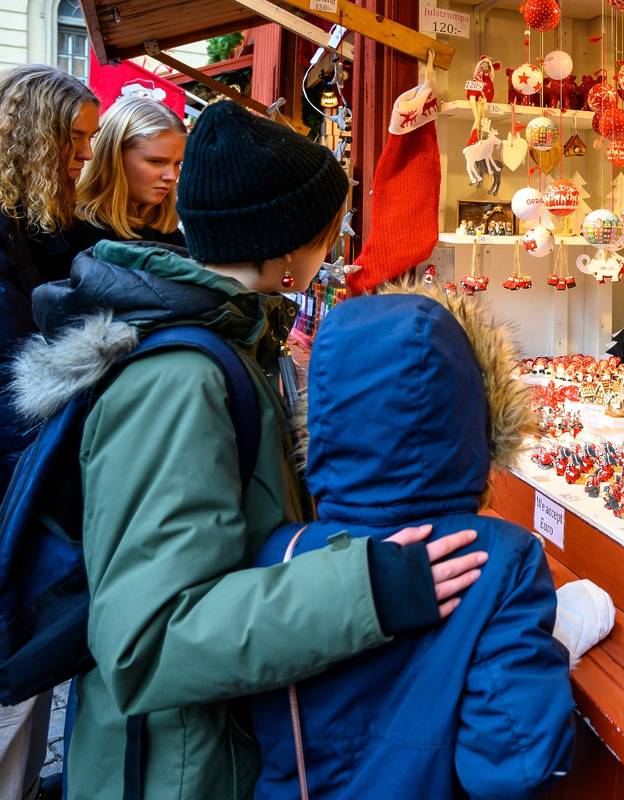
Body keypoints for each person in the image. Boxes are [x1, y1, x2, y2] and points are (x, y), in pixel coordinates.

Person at [8, 101, 485, 800]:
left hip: (209, 750)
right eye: (332, 226)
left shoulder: (230, 344)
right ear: (287, 245)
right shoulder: (178, 380)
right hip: (174, 769)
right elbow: (150, 639)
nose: (338, 239)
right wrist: (369, 588)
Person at [249, 287, 612, 799]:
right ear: (476, 408)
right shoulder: (499, 560)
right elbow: (514, 765)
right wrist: (558, 640)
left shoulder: (279, 555)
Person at [0, 63, 97, 800]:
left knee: (27, 685)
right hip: (16, 486)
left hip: (35, 483)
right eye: (75, 140)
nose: (84, 157)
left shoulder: (51, 227)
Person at [72, 95, 187, 251]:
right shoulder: (72, 231)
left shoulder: (168, 232)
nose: (172, 176)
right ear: (113, 156)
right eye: (156, 161)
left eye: (177, 163)